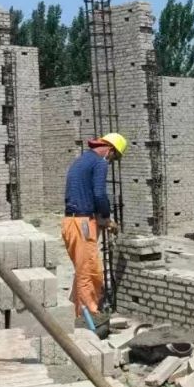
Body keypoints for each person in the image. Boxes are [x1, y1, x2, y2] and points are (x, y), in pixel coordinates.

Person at [62, 132, 127, 320]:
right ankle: (89, 319)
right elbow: (99, 194)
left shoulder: (82, 160)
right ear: (110, 150)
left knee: (83, 271)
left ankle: (77, 314)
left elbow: (84, 194)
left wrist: (98, 217)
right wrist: (106, 216)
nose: (111, 162)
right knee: (89, 272)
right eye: (114, 158)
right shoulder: (100, 162)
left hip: (71, 221)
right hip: (82, 224)